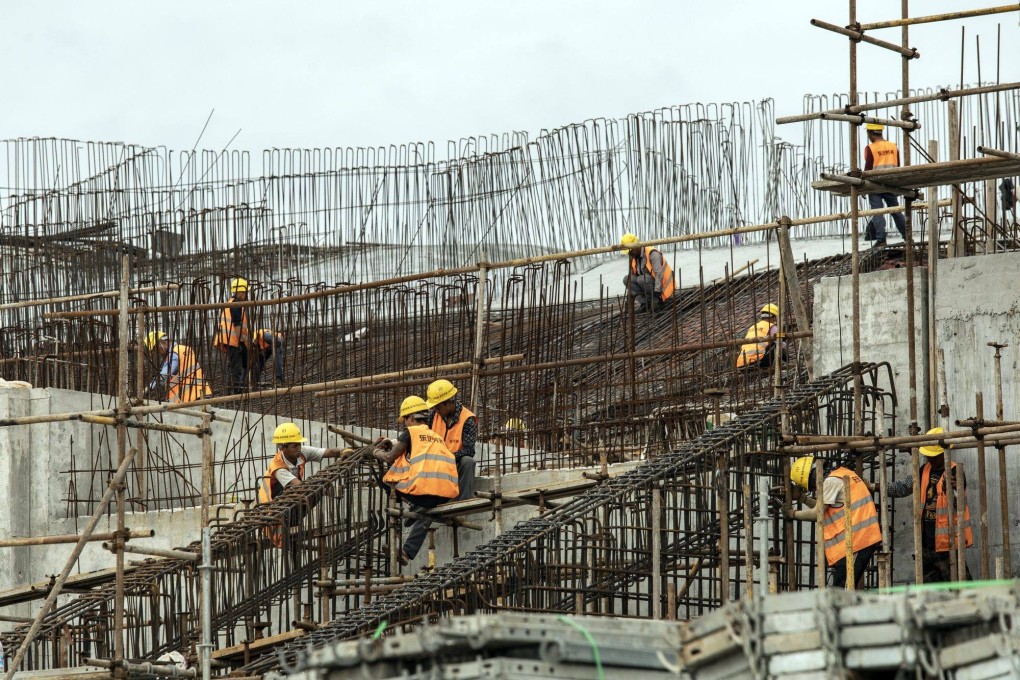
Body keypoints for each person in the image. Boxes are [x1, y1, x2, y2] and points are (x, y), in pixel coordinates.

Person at [374, 396, 459, 565]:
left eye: (405, 420)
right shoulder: (436, 436)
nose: (405, 424)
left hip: (426, 493)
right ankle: (407, 551)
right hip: (445, 493)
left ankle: (406, 514)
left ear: (411, 417)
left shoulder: (411, 432)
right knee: (426, 513)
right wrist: (390, 442)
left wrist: (375, 452)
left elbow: (391, 457)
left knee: (386, 481)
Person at [780, 455, 882, 589]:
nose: (815, 489)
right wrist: (802, 498)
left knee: (845, 589)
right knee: (843, 586)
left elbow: (817, 513)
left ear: (812, 477)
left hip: (857, 541)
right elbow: (825, 508)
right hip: (858, 540)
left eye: (811, 486)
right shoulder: (843, 474)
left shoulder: (831, 481)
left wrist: (792, 514)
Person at [887, 427, 973, 582]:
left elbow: (959, 505)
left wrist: (952, 489)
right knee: (930, 590)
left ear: (943, 452)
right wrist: (875, 486)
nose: (929, 459)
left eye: (933, 456)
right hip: (926, 543)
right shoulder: (923, 470)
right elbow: (903, 488)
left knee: (960, 585)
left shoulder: (955, 471)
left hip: (947, 543)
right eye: (927, 456)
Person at [258, 422, 352, 547]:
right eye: (294, 446)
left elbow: (328, 452)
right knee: (310, 488)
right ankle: (290, 520)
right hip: (273, 509)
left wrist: (343, 450)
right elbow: (300, 487)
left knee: (315, 489)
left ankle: (295, 517)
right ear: (283, 448)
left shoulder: (301, 452)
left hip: (291, 505)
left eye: (299, 444)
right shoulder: (278, 467)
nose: (298, 448)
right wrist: (324, 488)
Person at [425, 379, 477, 502]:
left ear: (448, 403)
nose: (435, 410)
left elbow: (469, 450)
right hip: (435, 464)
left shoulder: (467, 419)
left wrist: (449, 457)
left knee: (468, 461)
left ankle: (463, 503)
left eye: (437, 406)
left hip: (455, 463)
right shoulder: (434, 416)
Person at [863, 123, 906, 247]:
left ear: (871, 133)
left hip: (875, 185)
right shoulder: (893, 147)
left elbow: (868, 169)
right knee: (896, 211)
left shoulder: (870, 148)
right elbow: (897, 166)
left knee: (878, 212)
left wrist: (863, 186)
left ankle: (881, 239)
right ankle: (907, 237)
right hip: (891, 183)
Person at [144, 331, 212, 403]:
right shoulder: (183, 349)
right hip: (202, 393)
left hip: (190, 398)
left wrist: (149, 387)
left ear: (163, 342)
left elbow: (164, 375)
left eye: (156, 349)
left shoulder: (174, 354)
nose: (158, 352)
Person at [620, 233, 675, 313]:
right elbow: (632, 278)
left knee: (641, 279)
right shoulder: (634, 257)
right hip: (648, 284)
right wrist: (630, 297)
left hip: (662, 288)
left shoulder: (652, 254)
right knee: (627, 279)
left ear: (636, 245)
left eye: (630, 251)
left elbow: (659, 275)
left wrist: (656, 296)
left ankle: (658, 302)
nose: (629, 253)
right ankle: (645, 303)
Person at [213, 277, 250, 394]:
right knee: (237, 366)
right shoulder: (235, 305)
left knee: (240, 363)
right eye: (245, 292)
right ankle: (237, 391)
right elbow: (237, 324)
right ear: (239, 292)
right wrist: (241, 341)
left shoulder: (232, 302)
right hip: (233, 340)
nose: (246, 295)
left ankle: (235, 388)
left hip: (231, 339)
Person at [735, 303, 786, 369]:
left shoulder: (753, 327)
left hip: (742, 364)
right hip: (758, 362)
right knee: (776, 344)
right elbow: (781, 344)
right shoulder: (772, 327)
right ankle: (785, 364)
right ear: (773, 317)